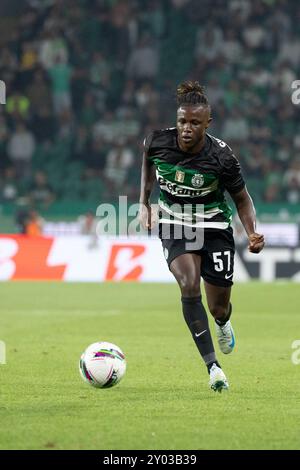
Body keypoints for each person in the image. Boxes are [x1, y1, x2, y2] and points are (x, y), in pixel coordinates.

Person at [138, 81, 264, 392]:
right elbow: (147, 169)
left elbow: (242, 198)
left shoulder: (222, 157)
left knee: (218, 306)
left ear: (208, 122)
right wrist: (144, 203)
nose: (187, 128)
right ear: (176, 119)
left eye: (195, 122)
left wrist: (251, 232)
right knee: (188, 283)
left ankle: (222, 323)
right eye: (183, 120)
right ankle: (213, 368)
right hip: (175, 223)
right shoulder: (156, 142)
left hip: (215, 227)